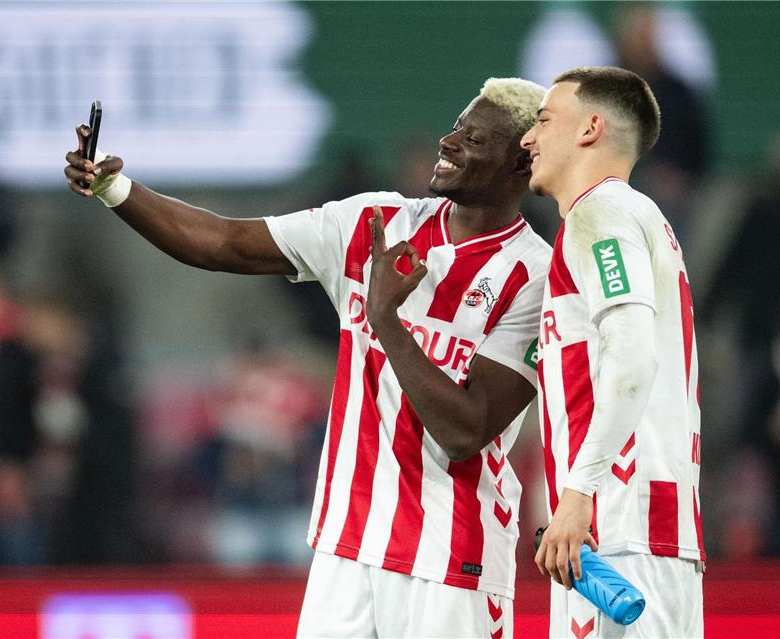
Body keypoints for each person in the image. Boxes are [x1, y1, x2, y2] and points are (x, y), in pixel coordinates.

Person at [64, 78, 551, 637]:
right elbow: (225, 242)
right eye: (456, 127)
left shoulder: (537, 277)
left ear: (519, 165)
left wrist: (385, 318)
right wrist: (114, 188)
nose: (450, 141)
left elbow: (464, 430)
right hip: (345, 547)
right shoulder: (375, 223)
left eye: (476, 139)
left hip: (451, 557)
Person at [520, 66, 704, 638]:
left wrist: (577, 498)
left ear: (590, 128)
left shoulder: (604, 214)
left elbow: (632, 358)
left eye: (544, 120)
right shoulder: (619, 217)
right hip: (622, 531)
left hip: (624, 527)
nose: (529, 138)